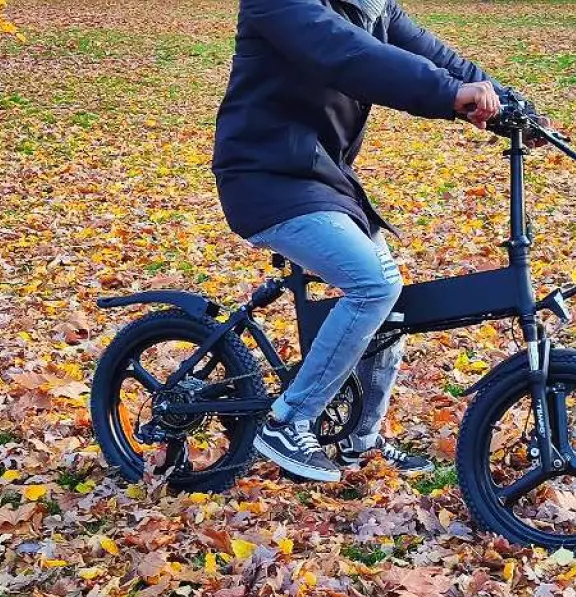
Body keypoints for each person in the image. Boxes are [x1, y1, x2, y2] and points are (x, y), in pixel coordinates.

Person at [212, 0, 509, 483]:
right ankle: (288, 421)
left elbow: (437, 55)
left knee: (389, 303)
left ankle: (359, 438)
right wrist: (450, 94)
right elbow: (351, 55)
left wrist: (509, 104)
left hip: (323, 178)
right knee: (373, 284)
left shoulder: (372, 6)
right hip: (264, 178)